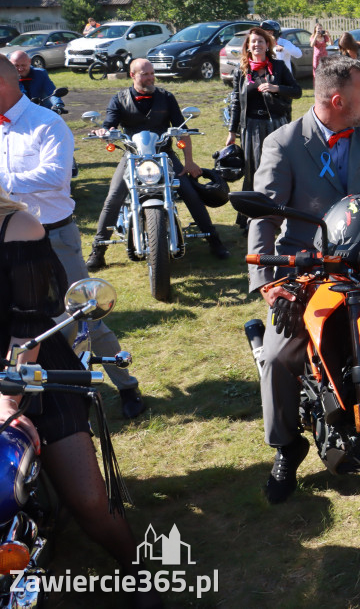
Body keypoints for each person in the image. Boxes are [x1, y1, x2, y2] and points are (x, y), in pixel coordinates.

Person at [248, 55, 360, 504]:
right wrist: (272, 283)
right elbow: (264, 218)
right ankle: (287, 446)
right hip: (308, 266)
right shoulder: (283, 143)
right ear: (339, 100)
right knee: (279, 355)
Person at [0, 188, 161, 609]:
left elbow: (27, 324)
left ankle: (137, 575)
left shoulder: (19, 227)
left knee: (87, 498)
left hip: (25, 365)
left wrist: (8, 397)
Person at [0, 54, 146, 419]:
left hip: (54, 237)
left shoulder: (46, 123)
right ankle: (40, 402)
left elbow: (55, 176)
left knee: (82, 317)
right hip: (8, 241)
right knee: (21, 322)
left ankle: (127, 385)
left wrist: (4, 185)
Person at [85, 58, 230, 267]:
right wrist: (102, 132)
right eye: (145, 74)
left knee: (189, 192)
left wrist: (189, 162)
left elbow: (182, 130)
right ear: (132, 75)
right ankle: (98, 251)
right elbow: (109, 125)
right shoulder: (119, 99)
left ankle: (214, 241)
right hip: (133, 156)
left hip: (164, 154)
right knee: (114, 197)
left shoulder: (166, 97)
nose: (150, 77)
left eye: (152, 73)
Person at [225, 27, 302, 225]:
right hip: (250, 127)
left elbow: (297, 91)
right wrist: (232, 132)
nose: (257, 45)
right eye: (253, 42)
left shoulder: (278, 67)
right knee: (254, 171)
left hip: (276, 124)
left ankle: (282, 216)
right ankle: (251, 218)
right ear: (248, 47)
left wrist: (276, 87)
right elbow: (236, 102)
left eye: (261, 41)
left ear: (268, 45)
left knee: (278, 168)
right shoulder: (241, 70)